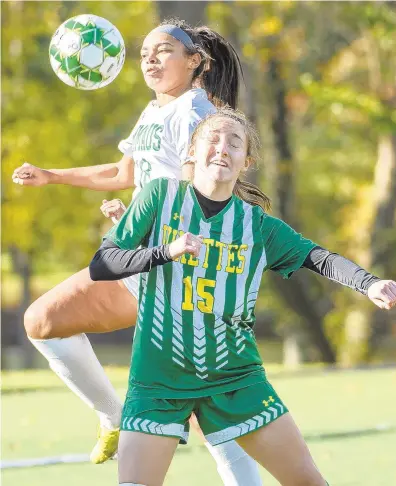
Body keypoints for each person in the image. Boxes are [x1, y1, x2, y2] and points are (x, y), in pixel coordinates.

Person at [89, 108, 396, 486]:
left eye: (234, 143)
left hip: (235, 378)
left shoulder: (257, 225)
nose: (222, 148)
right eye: (213, 139)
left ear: (245, 162)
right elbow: (103, 264)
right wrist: (165, 251)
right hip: (159, 379)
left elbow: (317, 257)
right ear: (191, 151)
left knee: (309, 482)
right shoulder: (159, 196)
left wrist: (368, 284)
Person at [11, 19, 264, 484]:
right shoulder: (156, 111)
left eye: (164, 50)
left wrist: (152, 221)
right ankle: (113, 415)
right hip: (145, 260)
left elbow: (202, 190)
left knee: (213, 420)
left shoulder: (194, 112)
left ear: (195, 62)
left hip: (183, 271)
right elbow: (122, 171)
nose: (150, 58)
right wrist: (52, 175)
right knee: (42, 321)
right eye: (145, 51)